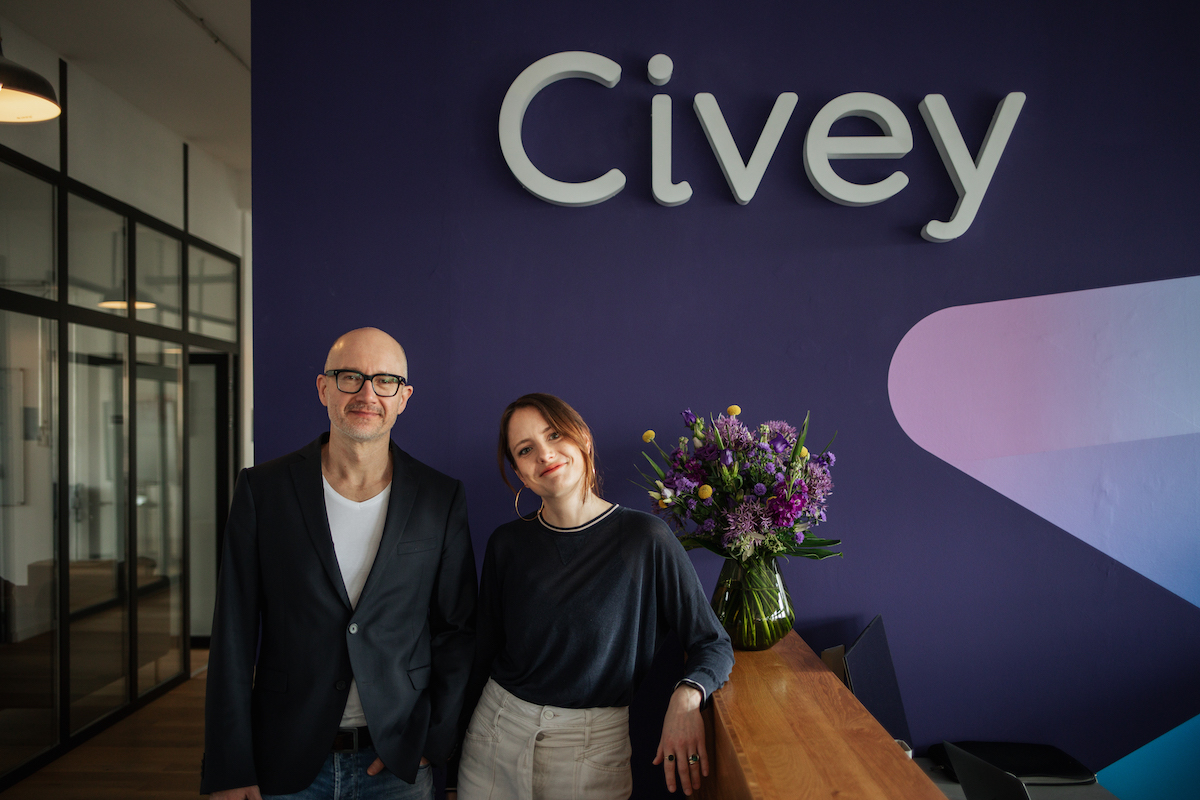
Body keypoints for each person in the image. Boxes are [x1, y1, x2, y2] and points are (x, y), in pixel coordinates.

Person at [201, 328, 477, 800]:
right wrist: (230, 765)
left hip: (398, 762)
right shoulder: (261, 491)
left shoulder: (439, 497)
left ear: (404, 397)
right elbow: (233, 633)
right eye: (351, 377)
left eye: (385, 380)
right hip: (285, 760)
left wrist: (436, 742)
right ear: (324, 388)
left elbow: (458, 629)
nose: (368, 393)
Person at [451, 393, 734, 800]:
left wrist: (686, 696)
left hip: (592, 750)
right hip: (494, 736)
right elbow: (483, 653)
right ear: (520, 474)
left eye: (554, 434)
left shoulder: (645, 539)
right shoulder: (506, 544)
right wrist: (450, 761)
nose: (545, 454)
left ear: (582, 437)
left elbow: (712, 642)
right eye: (526, 449)